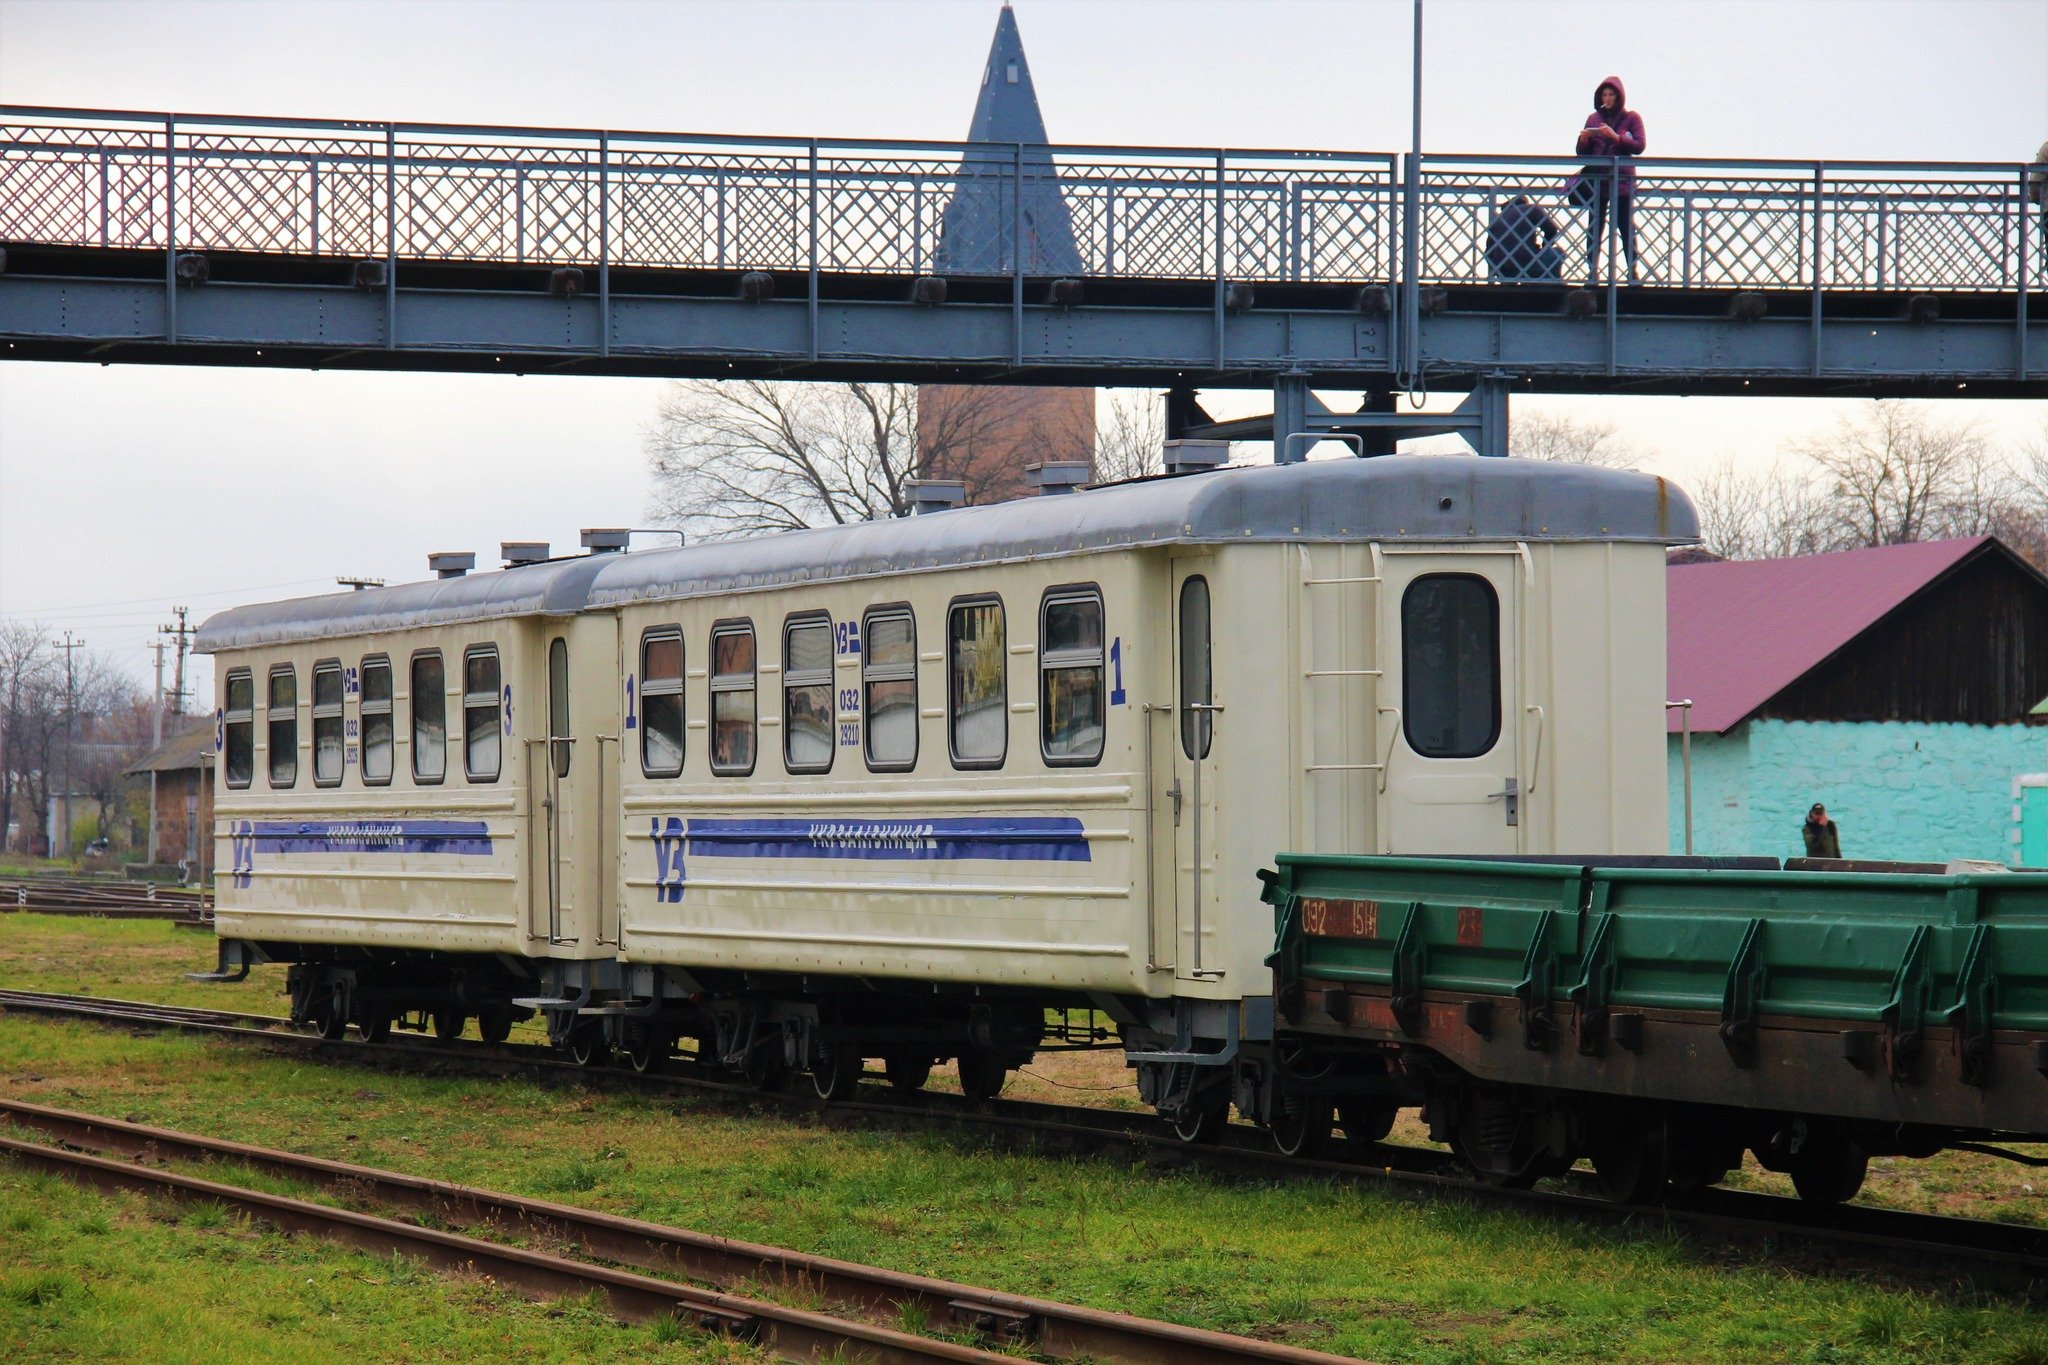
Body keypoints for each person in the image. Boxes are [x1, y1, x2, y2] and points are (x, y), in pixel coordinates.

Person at [1573, 77, 1646, 284]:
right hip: (1598, 182)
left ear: (1619, 96)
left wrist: (1616, 137)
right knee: (1594, 227)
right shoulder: (1593, 119)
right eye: (1604, 94)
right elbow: (1582, 154)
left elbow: (1639, 145)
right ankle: (1591, 271)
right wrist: (1584, 140)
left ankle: (1632, 271)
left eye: (1611, 94)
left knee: (1624, 226)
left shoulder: (1631, 118)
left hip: (1622, 182)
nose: (1607, 98)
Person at [1486, 195, 1564, 282]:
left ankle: (1512, 283)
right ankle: (1550, 285)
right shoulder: (1531, 209)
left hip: (1503, 271)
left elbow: (1488, 251)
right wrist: (1544, 247)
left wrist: (1497, 270)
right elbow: (1551, 229)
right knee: (1558, 253)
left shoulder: (1498, 219)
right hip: (1526, 265)